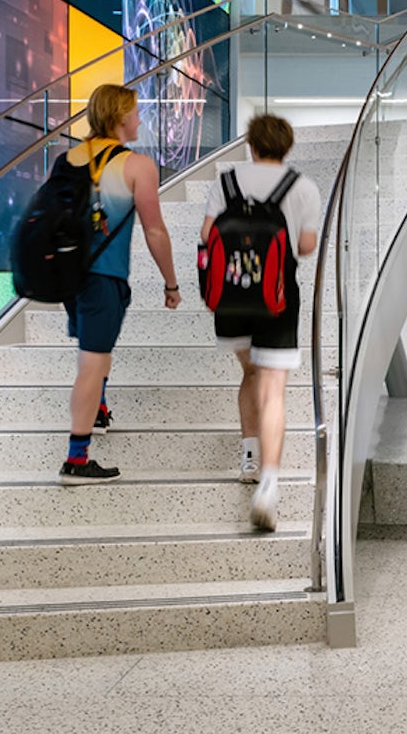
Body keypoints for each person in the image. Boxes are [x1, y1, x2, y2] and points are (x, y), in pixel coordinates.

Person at [201, 114, 322, 532]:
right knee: (273, 389)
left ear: (251, 145)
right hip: (277, 298)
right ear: (286, 147)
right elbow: (305, 248)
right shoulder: (303, 187)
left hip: (232, 297)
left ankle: (249, 456)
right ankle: (269, 485)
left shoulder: (225, 183)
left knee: (249, 374)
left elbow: (206, 236)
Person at [58, 84, 181, 484]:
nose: (140, 118)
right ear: (118, 117)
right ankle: (76, 460)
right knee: (92, 361)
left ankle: (99, 407)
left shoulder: (68, 158)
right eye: (135, 111)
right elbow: (155, 231)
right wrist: (171, 283)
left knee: (96, 347)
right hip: (103, 277)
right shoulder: (137, 166)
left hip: (69, 275)